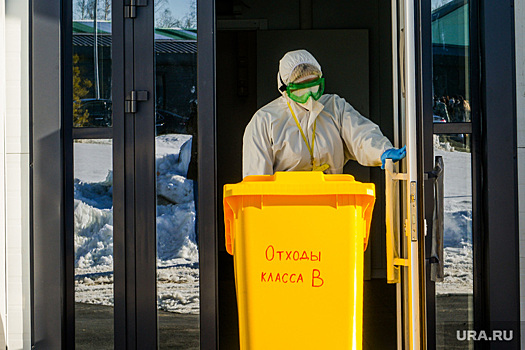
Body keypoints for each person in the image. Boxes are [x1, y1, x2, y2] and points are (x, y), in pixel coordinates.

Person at [242, 49, 405, 178]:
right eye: (300, 89)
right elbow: (256, 181)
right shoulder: (265, 120)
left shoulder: (334, 107)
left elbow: (360, 134)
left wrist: (381, 150)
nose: (309, 96)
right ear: (284, 89)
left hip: (330, 202)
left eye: (313, 86)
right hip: (284, 208)